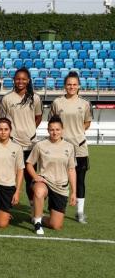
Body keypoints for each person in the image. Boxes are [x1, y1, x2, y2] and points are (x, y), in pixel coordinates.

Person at [50, 71, 91, 223]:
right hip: (60, 148)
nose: (71, 87)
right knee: (56, 178)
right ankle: (55, 208)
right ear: (64, 86)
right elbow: (53, 122)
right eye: (69, 84)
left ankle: (80, 212)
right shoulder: (57, 103)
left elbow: (87, 123)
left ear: (78, 86)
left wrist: (76, 133)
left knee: (79, 180)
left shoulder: (85, 104)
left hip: (79, 147)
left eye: (74, 84)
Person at [0, 68, 43, 212]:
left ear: (28, 80)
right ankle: (7, 207)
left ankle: (32, 208)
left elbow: (38, 117)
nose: (21, 81)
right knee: (9, 178)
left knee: (30, 179)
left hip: (30, 145)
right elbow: (4, 121)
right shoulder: (6, 99)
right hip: (12, 145)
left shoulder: (35, 98)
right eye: (18, 79)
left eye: (24, 79)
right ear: (14, 80)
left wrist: (30, 130)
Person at [26, 115, 77, 235]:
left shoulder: (69, 147)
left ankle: (37, 217)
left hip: (60, 186)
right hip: (44, 181)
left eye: (57, 129)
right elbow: (29, 164)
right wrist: (35, 177)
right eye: (52, 129)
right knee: (38, 191)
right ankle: (37, 223)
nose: (54, 132)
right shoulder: (40, 145)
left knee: (56, 225)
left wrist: (74, 192)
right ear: (48, 130)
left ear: (62, 130)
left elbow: (71, 169)